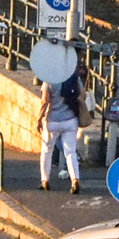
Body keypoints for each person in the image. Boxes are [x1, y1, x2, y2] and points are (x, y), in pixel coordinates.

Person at [40, 63, 86, 192]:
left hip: (53, 121)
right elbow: (82, 95)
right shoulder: (74, 77)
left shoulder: (49, 80)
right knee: (70, 152)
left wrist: (39, 119)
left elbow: (45, 101)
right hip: (71, 120)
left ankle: (45, 180)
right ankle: (75, 179)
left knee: (47, 151)